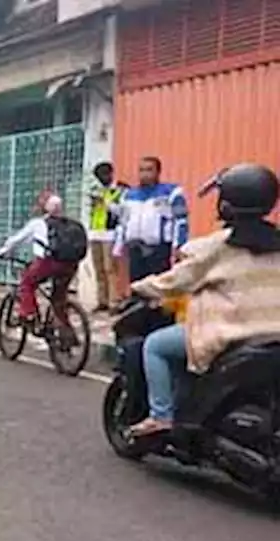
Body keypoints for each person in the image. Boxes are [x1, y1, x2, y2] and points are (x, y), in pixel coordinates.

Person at [127, 163, 280, 436]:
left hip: (232, 333)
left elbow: (176, 280)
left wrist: (140, 287)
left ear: (226, 205)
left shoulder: (217, 247)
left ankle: (160, 417)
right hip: (273, 336)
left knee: (155, 346)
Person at [0, 194, 87, 342]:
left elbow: (16, 240)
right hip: (70, 265)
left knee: (26, 283)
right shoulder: (71, 224)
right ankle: (67, 334)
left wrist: (2, 251)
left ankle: (29, 314)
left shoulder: (38, 223)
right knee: (59, 298)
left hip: (48, 264)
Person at [116, 156, 188, 283]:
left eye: (149, 170)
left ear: (158, 172)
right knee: (137, 287)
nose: (144, 174)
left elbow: (181, 220)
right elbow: (123, 221)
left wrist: (179, 246)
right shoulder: (128, 195)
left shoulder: (171, 192)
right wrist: (118, 246)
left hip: (158, 249)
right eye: (141, 170)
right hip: (135, 248)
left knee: (158, 287)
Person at [87, 162, 126, 312]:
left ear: (111, 174)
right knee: (99, 269)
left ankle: (113, 302)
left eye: (104, 175)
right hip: (95, 231)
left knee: (110, 268)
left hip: (110, 232)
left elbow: (121, 211)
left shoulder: (120, 189)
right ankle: (102, 300)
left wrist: (106, 202)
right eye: (99, 177)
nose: (102, 179)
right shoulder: (96, 190)